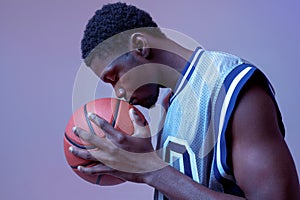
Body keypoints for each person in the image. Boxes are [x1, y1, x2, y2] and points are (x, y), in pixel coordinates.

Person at [69, 2, 300, 199]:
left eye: (115, 77)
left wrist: (151, 170)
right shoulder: (172, 105)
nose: (118, 92)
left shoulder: (229, 84)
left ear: (140, 46)